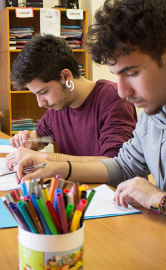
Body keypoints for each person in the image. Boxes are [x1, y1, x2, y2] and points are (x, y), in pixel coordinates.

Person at [15, 0, 166, 214]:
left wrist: (159, 199)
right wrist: (57, 167)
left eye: (131, 73)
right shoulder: (152, 117)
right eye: (117, 75)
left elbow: (154, 195)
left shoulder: (117, 100)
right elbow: (123, 165)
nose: (123, 92)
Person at [6, 34, 137, 170]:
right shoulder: (58, 106)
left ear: (65, 77)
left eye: (43, 92)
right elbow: (41, 136)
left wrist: (49, 158)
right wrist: (27, 141)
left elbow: (115, 165)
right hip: (76, 188)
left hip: (111, 190)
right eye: (35, 94)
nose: (40, 103)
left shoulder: (113, 99)